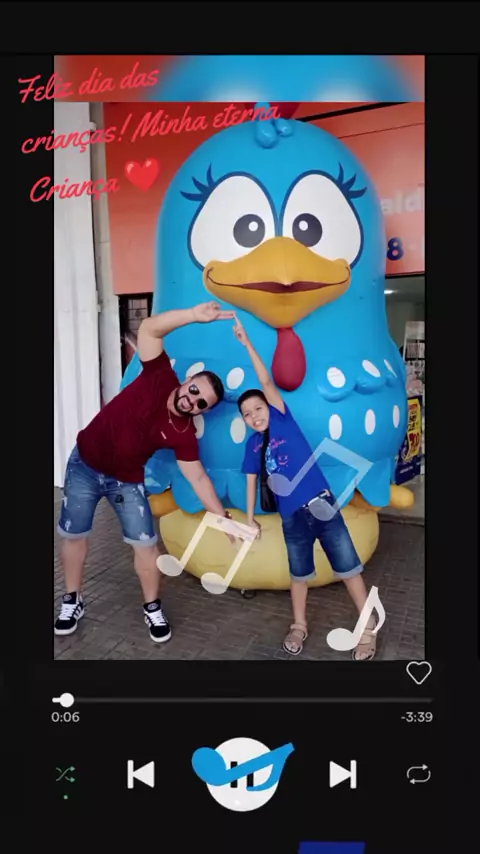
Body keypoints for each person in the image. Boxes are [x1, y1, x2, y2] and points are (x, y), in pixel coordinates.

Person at [55, 301, 235, 644]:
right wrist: (193, 316)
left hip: (126, 480)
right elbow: (151, 328)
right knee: (74, 536)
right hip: (84, 466)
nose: (192, 401)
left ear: (203, 411)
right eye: (194, 390)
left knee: (146, 545)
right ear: (187, 381)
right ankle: (72, 600)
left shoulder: (183, 434)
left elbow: (198, 477)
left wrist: (222, 518)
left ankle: (152, 607)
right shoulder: (159, 375)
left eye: (202, 403)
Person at [233, 314, 379, 660]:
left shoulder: (283, 419)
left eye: (258, 408)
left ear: (268, 406)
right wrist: (249, 519)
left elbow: (265, 380)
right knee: (298, 574)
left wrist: (247, 343)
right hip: (291, 517)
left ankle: (368, 626)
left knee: (348, 568)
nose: (254, 416)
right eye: (247, 414)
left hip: (321, 504)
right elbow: (251, 481)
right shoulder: (252, 445)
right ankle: (299, 625)